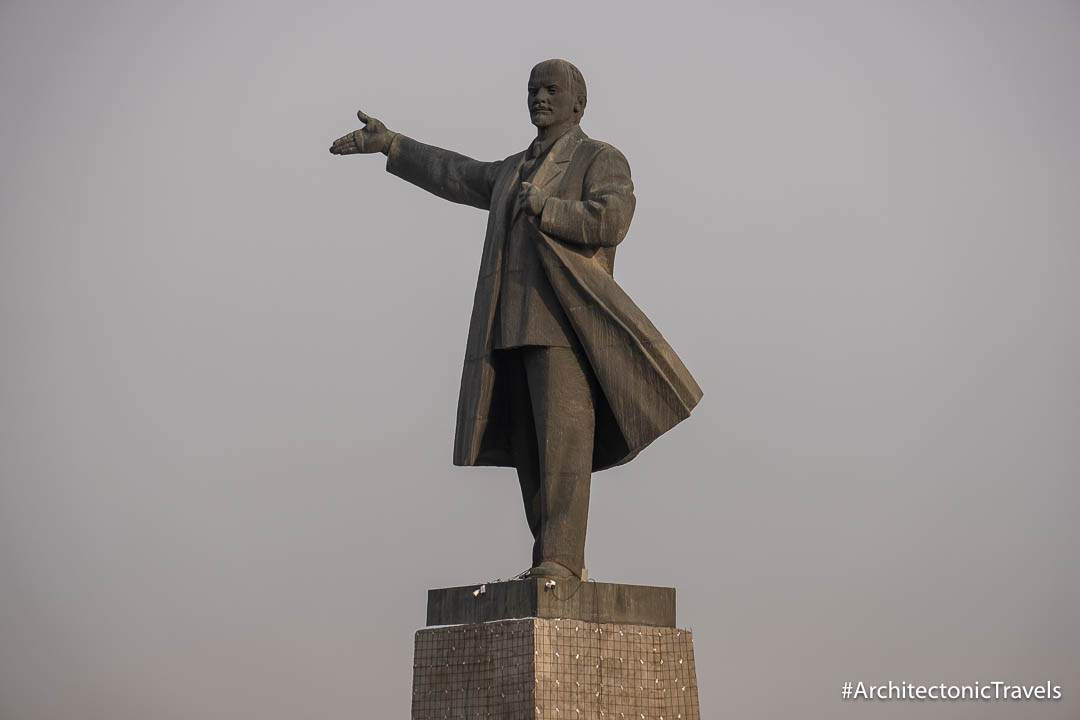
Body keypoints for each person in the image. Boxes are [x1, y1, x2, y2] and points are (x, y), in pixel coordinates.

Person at [330, 59, 702, 579]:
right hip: (509, 327)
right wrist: (393, 144)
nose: (539, 98)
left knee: (564, 447)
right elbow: (456, 174)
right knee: (531, 455)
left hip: (566, 328)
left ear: (578, 103)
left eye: (551, 90)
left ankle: (563, 560)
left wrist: (547, 206)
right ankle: (547, 556)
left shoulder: (599, 157)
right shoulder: (511, 170)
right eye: (532, 90)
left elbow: (612, 220)